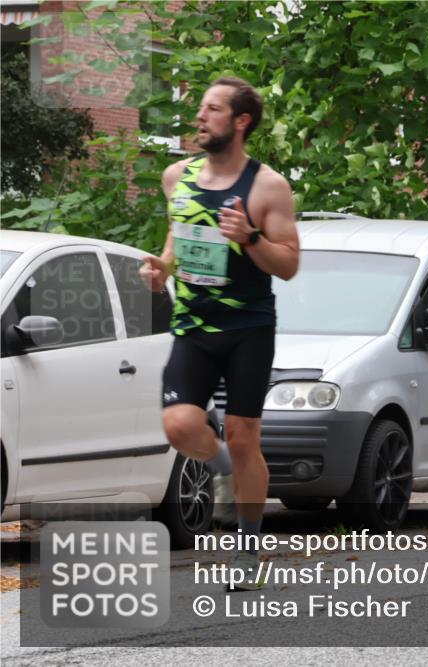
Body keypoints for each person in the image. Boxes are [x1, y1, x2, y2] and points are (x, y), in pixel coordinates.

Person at [140, 76, 299, 588]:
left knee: (243, 433)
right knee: (180, 426)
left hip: (248, 326)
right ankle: (230, 467)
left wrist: (250, 237)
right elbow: (179, 230)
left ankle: (248, 546)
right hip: (192, 325)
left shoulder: (267, 187)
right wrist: (162, 266)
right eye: (201, 108)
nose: (199, 117)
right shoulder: (175, 177)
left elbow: (290, 264)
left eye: (211, 109)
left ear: (240, 121)